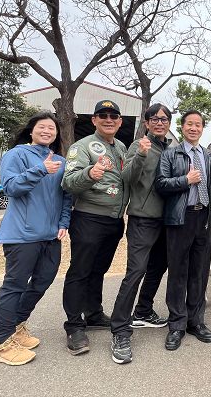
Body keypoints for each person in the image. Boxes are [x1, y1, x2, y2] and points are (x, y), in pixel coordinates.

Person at [0, 111, 71, 366]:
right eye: (42, 127)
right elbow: (11, 187)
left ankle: (17, 326)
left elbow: (65, 196)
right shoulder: (16, 154)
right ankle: (2, 343)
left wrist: (63, 222)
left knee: (42, 281)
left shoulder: (60, 160)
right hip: (22, 235)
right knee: (14, 285)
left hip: (51, 235)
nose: (47, 131)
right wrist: (40, 170)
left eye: (52, 129)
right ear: (31, 130)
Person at [61, 100, 128, 355]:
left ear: (120, 121)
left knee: (98, 270)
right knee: (80, 271)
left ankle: (94, 313)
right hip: (89, 218)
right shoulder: (82, 147)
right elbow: (68, 183)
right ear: (94, 120)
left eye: (113, 115)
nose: (108, 119)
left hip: (114, 221)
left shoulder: (121, 147)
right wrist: (90, 173)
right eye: (103, 115)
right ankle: (74, 326)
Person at [109, 103, 172, 364]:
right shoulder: (140, 145)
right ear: (146, 122)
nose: (159, 122)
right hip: (143, 220)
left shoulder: (169, 147)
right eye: (154, 119)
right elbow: (127, 177)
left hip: (166, 221)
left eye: (164, 119)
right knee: (136, 271)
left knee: (158, 268)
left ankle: (143, 311)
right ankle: (120, 330)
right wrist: (141, 155)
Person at [155, 110, 211, 351]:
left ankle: (196, 321)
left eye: (198, 124)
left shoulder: (209, 157)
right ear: (182, 127)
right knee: (178, 272)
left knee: (199, 272)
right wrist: (185, 180)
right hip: (181, 218)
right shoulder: (171, 154)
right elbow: (160, 184)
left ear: (203, 128)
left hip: (203, 218)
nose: (194, 128)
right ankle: (176, 324)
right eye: (189, 124)